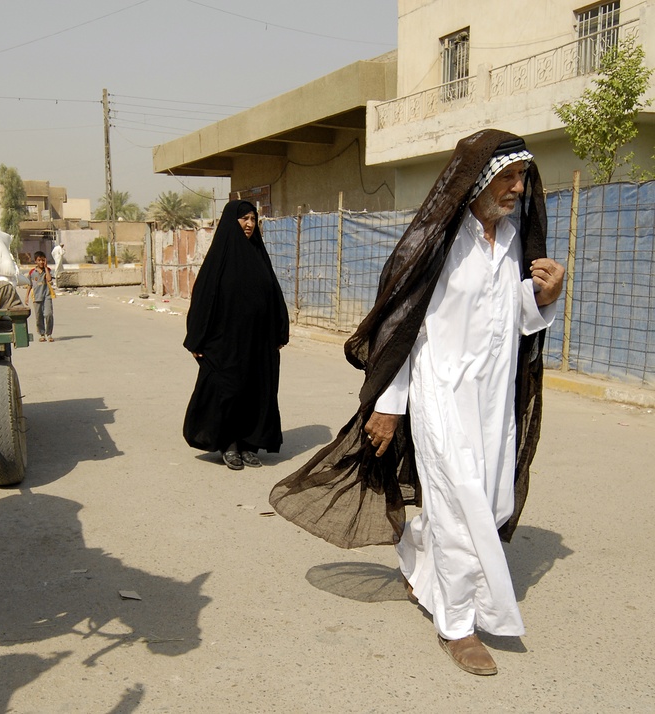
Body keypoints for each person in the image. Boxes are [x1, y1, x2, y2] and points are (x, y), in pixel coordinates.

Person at [270, 129, 565, 676]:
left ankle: (416, 554)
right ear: (477, 180)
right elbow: (401, 331)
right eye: (510, 177)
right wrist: (388, 401)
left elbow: (510, 322)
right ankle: (458, 626)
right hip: (441, 392)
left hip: (494, 396)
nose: (520, 189)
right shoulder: (438, 243)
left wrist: (542, 296)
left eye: (524, 178)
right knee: (461, 509)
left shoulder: (513, 240)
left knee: (494, 503)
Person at [183, 199, 289, 471]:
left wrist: (279, 330)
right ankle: (228, 443)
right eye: (244, 219)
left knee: (256, 391)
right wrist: (197, 337)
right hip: (225, 342)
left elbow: (274, 295)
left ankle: (248, 443)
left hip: (258, 342)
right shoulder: (220, 257)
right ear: (232, 221)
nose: (250, 224)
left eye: (253, 219)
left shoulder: (258, 255)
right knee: (228, 390)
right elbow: (203, 297)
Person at [25, 250, 54, 342]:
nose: (41, 262)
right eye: (39, 260)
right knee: (39, 316)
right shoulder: (32, 273)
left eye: (43, 260)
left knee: (48, 314)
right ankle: (42, 333)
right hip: (36, 297)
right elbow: (29, 285)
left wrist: (45, 268)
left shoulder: (47, 270)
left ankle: (49, 334)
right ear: (35, 261)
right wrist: (26, 297)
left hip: (47, 296)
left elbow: (49, 280)